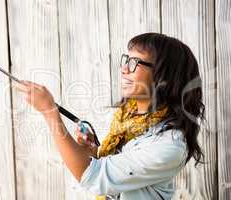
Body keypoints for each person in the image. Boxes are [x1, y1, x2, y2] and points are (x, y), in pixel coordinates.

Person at [14, 33, 205, 200]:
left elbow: (92, 177)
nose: (124, 69)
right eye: (126, 60)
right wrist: (94, 151)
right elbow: (107, 171)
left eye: (135, 63)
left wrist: (49, 112)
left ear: (164, 76)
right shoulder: (125, 121)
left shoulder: (168, 145)